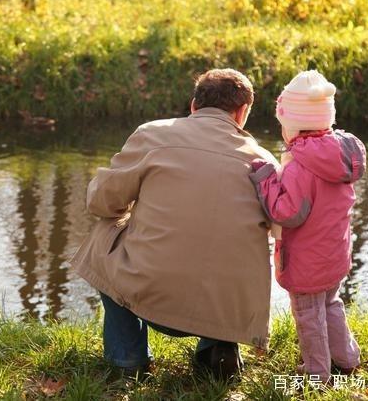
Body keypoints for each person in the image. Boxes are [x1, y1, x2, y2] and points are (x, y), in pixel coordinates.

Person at [70, 68, 278, 379]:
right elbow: (279, 227)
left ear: (194, 105)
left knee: (104, 236)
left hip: (153, 297)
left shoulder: (153, 134)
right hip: (228, 311)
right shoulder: (265, 161)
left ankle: (127, 359)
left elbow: (102, 203)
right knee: (231, 243)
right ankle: (217, 350)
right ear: (243, 112)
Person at [249, 70, 365, 382]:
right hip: (334, 253)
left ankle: (317, 373)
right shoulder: (338, 157)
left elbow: (287, 213)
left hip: (307, 260)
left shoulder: (301, 166)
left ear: (292, 125)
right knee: (330, 303)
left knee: (308, 315)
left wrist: (266, 179)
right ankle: (347, 357)